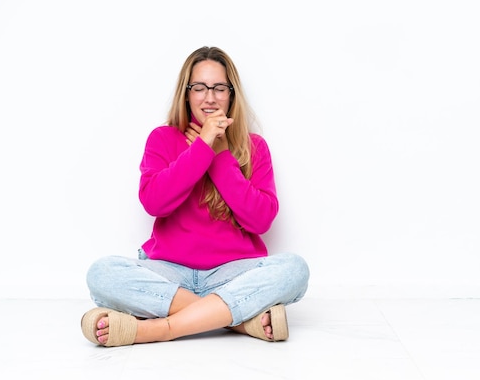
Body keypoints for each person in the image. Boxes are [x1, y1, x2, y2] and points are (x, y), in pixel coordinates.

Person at [81, 46, 310, 346]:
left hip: (232, 273)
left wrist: (220, 156)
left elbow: (261, 219)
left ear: (232, 94)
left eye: (219, 88)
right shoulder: (162, 139)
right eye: (199, 88)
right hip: (169, 272)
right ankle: (237, 321)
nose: (210, 97)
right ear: (186, 94)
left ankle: (160, 329)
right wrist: (201, 149)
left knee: (295, 270)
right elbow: (154, 202)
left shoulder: (254, 147)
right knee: (102, 274)